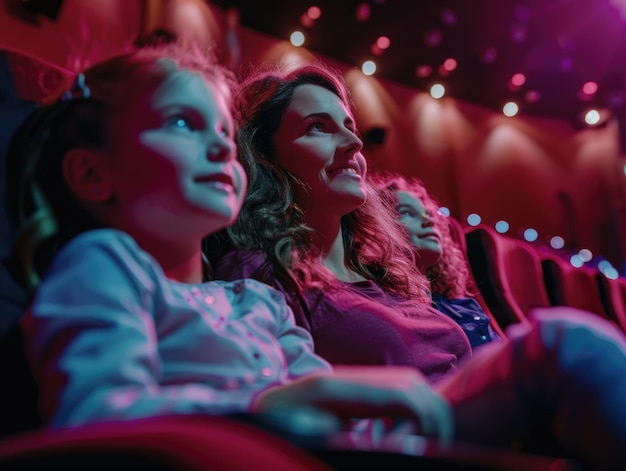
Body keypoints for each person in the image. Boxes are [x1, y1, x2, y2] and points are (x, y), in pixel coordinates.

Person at [6, 40, 454, 440]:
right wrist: (262, 411)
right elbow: (93, 416)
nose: (223, 148)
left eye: (223, 132)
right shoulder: (103, 265)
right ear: (92, 174)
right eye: (182, 123)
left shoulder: (259, 302)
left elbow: (336, 422)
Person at [208, 60, 626, 468]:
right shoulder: (258, 271)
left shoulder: (386, 278)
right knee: (562, 343)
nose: (354, 145)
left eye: (349, 128)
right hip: (403, 438)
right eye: (317, 127)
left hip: (481, 427)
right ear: (266, 158)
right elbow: (272, 400)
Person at [370, 172, 500, 349]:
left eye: (427, 213)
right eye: (407, 212)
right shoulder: (386, 311)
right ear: (377, 228)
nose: (427, 219)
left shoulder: (464, 305)